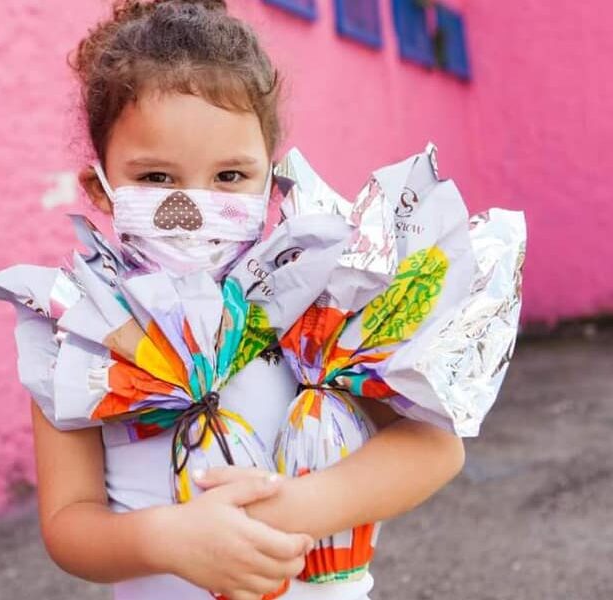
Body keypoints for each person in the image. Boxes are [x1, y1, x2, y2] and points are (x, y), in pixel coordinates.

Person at [29, 1, 465, 598]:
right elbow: (68, 523)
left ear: (271, 180)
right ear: (99, 189)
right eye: (155, 177)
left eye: (230, 177)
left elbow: (434, 448)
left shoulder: (320, 305)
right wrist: (166, 540)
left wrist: (295, 507)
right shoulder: (80, 335)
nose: (192, 203)